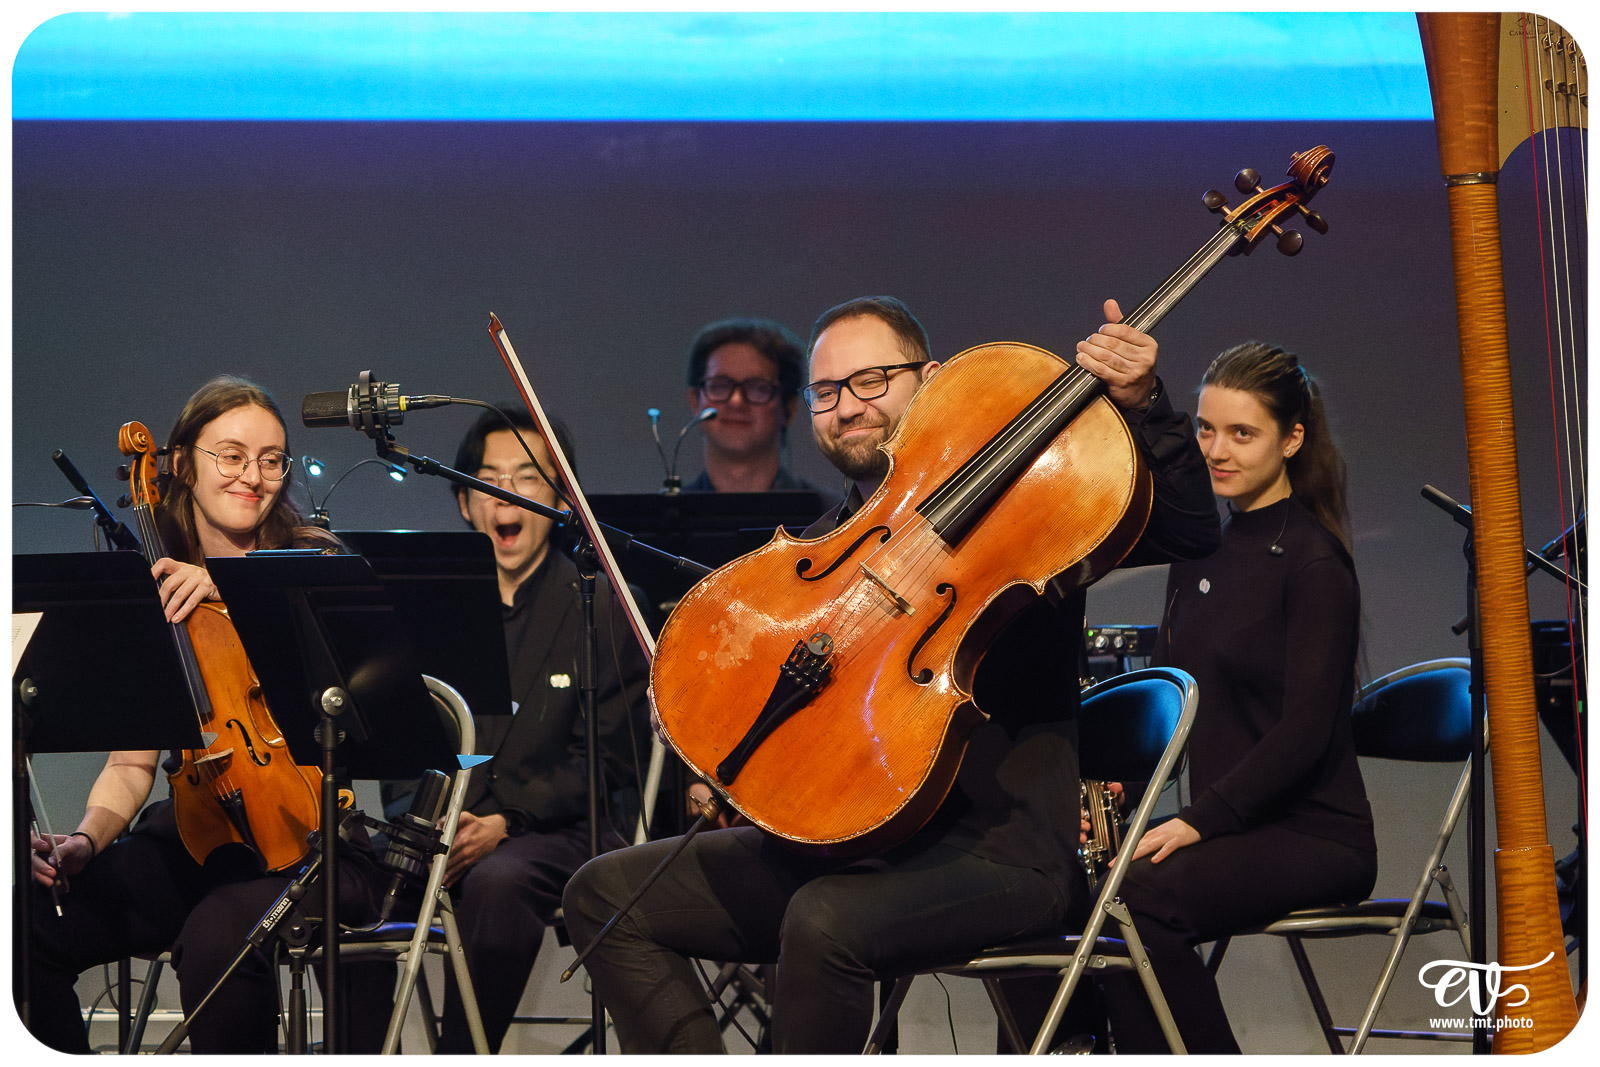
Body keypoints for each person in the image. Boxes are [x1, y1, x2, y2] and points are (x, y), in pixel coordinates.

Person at [562, 295, 1221, 1053]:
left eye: (872, 380)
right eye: (828, 391)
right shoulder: (820, 559)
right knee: (607, 896)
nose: (847, 407)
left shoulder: (1034, 515)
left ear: (933, 380)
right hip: (845, 847)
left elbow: (1193, 529)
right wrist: (703, 708)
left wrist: (1149, 409)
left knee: (824, 918)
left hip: (998, 852)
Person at [22, 376, 395, 1054]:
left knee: (219, 939)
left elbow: (368, 709)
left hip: (315, 846)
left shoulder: (316, 562)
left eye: (271, 458)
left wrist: (229, 584)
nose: (253, 476)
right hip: (198, 840)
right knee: (27, 927)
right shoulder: (154, 583)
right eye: (231, 454)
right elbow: (131, 764)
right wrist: (85, 838)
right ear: (183, 462)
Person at [1106, 341, 1377, 1053]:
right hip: (1234, 827)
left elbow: (1307, 729)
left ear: (1292, 438)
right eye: (1204, 428)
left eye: (1241, 432)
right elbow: (1163, 705)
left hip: (1315, 835)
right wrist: (1114, 793)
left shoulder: (1316, 561)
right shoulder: (1200, 550)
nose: (1216, 450)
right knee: (1075, 892)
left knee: (1138, 899)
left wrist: (1200, 819)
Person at [424, 406, 650, 1054]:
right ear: (465, 501)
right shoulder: (435, 604)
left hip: (560, 830)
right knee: (340, 874)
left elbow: (612, 760)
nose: (506, 495)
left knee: (498, 880)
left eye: (527, 478)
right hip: (453, 826)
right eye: (490, 478)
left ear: (559, 498)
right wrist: (438, 819)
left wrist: (505, 822)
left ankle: (459, 1054)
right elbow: (408, 736)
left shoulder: (599, 600)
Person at [681, 317, 830, 495]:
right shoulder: (662, 519)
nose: (736, 401)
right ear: (695, 400)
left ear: (789, 407)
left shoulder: (832, 519)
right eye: (720, 385)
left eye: (758, 388)